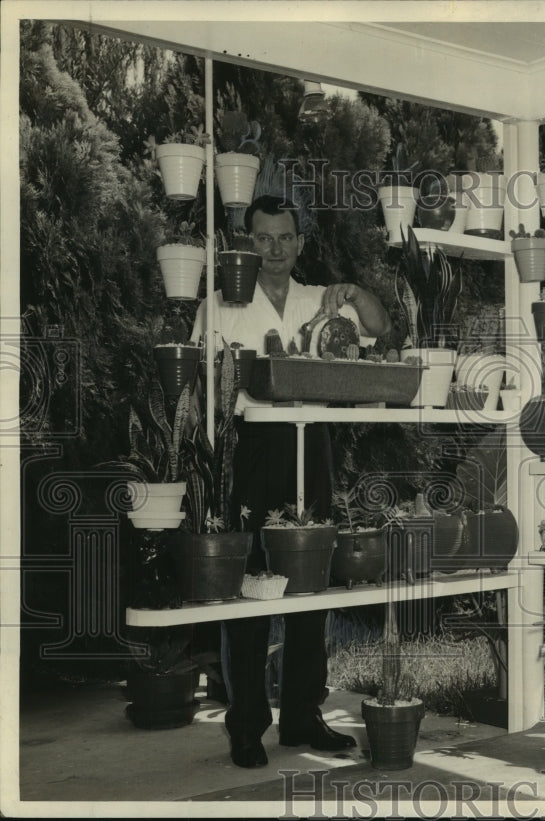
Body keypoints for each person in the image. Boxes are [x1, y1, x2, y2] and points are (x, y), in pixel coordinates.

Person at [190, 195, 390, 768]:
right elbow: (202, 390)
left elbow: (379, 327)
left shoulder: (319, 300)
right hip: (248, 448)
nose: (274, 249)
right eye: (262, 238)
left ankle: (303, 716)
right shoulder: (221, 303)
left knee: (310, 587)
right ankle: (247, 725)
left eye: (284, 238)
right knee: (248, 586)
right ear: (245, 241)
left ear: (300, 243)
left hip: (312, 443)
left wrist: (352, 291)